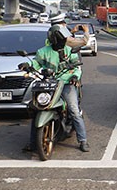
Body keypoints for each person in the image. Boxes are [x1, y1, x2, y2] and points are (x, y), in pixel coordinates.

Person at [28, 22, 90, 152]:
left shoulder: (69, 50)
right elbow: (36, 63)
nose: (66, 40)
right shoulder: (43, 52)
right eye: (63, 38)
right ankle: (32, 142)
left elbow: (76, 66)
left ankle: (83, 140)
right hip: (49, 84)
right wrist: (28, 67)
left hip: (66, 84)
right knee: (36, 108)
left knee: (74, 110)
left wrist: (75, 77)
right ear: (55, 39)